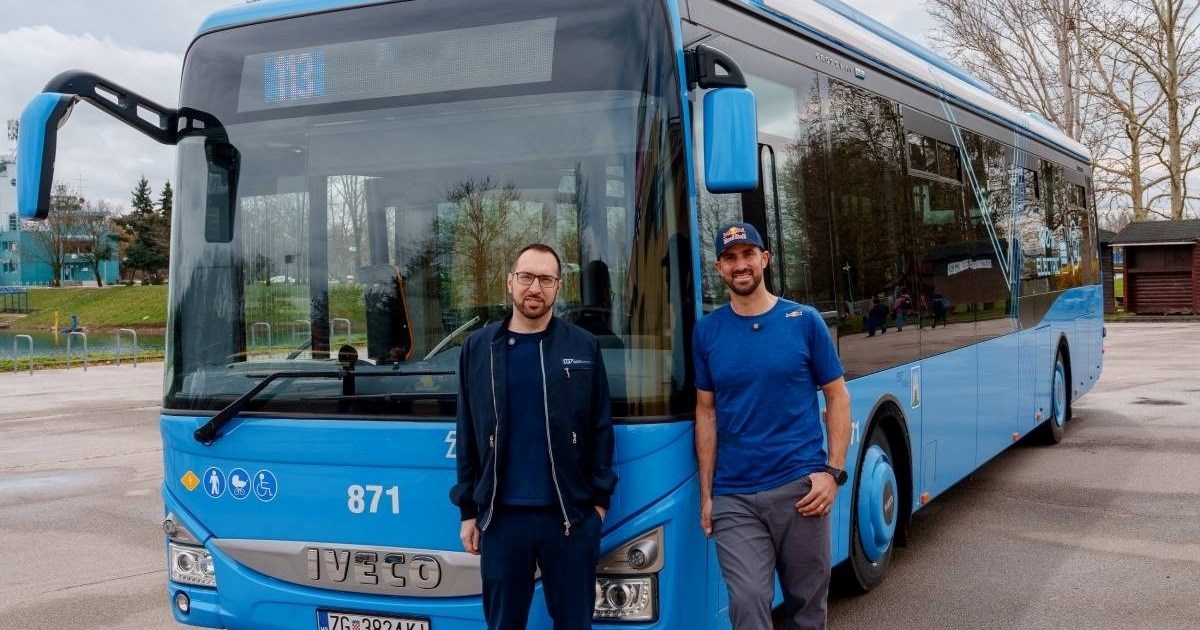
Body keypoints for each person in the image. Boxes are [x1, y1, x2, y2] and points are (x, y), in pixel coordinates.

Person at [450, 243, 617, 630]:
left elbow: (600, 425)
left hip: (570, 518)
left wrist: (599, 502)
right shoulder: (478, 349)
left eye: (545, 279)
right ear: (510, 283)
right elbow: (468, 432)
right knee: (503, 623)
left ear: (558, 287)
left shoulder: (583, 346)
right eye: (526, 277)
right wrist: (469, 510)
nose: (534, 288)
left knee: (575, 624)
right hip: (502, 519)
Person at [694, 222, 852, 630]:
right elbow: (706, 412)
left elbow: (837, 396)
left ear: (764, 258)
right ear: (719, 268)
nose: (740, 264)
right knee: (747, 601)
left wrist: (832, 473)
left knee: (807, 605)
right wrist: (708, 494)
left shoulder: (804, 320)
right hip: (735, 496)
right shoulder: (707, 331)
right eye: (730, 258)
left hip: (801, 489)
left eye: (748, 254)